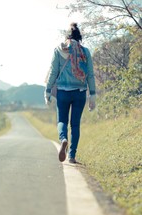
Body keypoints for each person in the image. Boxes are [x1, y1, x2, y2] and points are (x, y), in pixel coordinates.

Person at [44, 23, 96, 164]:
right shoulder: (85, 52)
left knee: (62, 120)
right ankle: (72, 156)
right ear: (79, 37)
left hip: (63, 92)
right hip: (80, 92)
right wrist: (92, 95)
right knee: (75, 124)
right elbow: (90, 75)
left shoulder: (59, 50)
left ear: (67, 36)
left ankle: (63, 139)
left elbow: (54, 72)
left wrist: (48, 91)